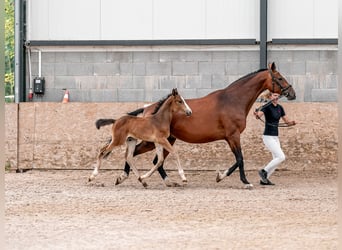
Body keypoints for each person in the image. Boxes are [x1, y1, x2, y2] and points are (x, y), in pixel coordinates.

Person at [254, 92, 296, 185]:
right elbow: (258, 116)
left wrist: (291, 122)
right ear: (270, 97)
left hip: (275, 136)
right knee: (281, 157)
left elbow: (287, 121)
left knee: (276, 159)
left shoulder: (280, 108)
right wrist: (256, 114)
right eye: (274, 95)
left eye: (277, 96)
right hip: (268, 136)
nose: (276, 97)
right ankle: (264, 171)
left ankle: (264, 180)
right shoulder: (267, 106)